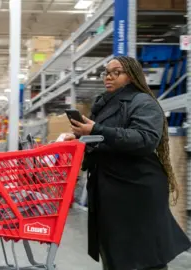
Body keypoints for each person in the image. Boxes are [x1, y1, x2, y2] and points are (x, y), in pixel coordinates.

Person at [64, 56, 191, 270]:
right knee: (116, 253)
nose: (109, 77)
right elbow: (107, 141)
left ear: (131, 76)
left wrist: (95, 130)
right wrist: (80, 139)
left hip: (136, 188)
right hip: (111, 187)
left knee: (144, 256)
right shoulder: (104, 104)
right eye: (106, 72)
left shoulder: (143, 102)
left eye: (116, 72)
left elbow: (144, 140)